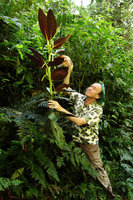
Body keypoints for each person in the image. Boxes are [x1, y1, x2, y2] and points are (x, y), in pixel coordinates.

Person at [48, 56, 115, 199]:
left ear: (98, 96)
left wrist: (60, 109)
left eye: (94, 89)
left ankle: (110, 194)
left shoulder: (97, 110)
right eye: (90, 86)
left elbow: (79, 122)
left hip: (89, 143)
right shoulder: (80, 98)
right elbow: (66, 89)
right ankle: (85, 184)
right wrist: (69, 69)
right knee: (79, 163)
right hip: (76, 138)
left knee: (98, 168)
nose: (90, 88)